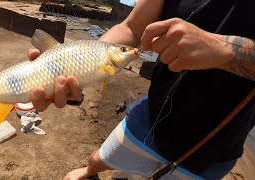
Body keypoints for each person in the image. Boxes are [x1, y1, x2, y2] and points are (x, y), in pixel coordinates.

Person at [28, 0, 255, 179]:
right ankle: (89, 171)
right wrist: (83, 60)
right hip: (154, 116)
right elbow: (131, 27)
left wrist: (226, 50)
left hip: (217, 148)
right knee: (99, 158)